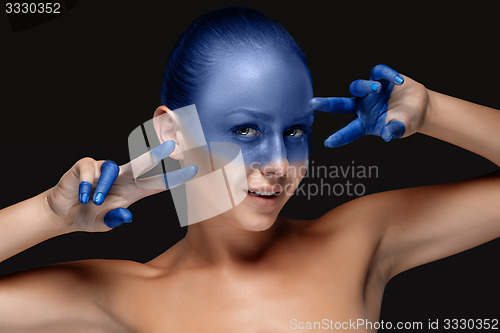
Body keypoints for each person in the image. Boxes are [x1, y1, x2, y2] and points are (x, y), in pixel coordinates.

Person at [1, 6, 499, 332]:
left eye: (296, 132)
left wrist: (434, 112)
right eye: (246, 131)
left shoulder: (360, 240)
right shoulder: (119, 295)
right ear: (174, 133)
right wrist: (49, 213)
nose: (279, 165)